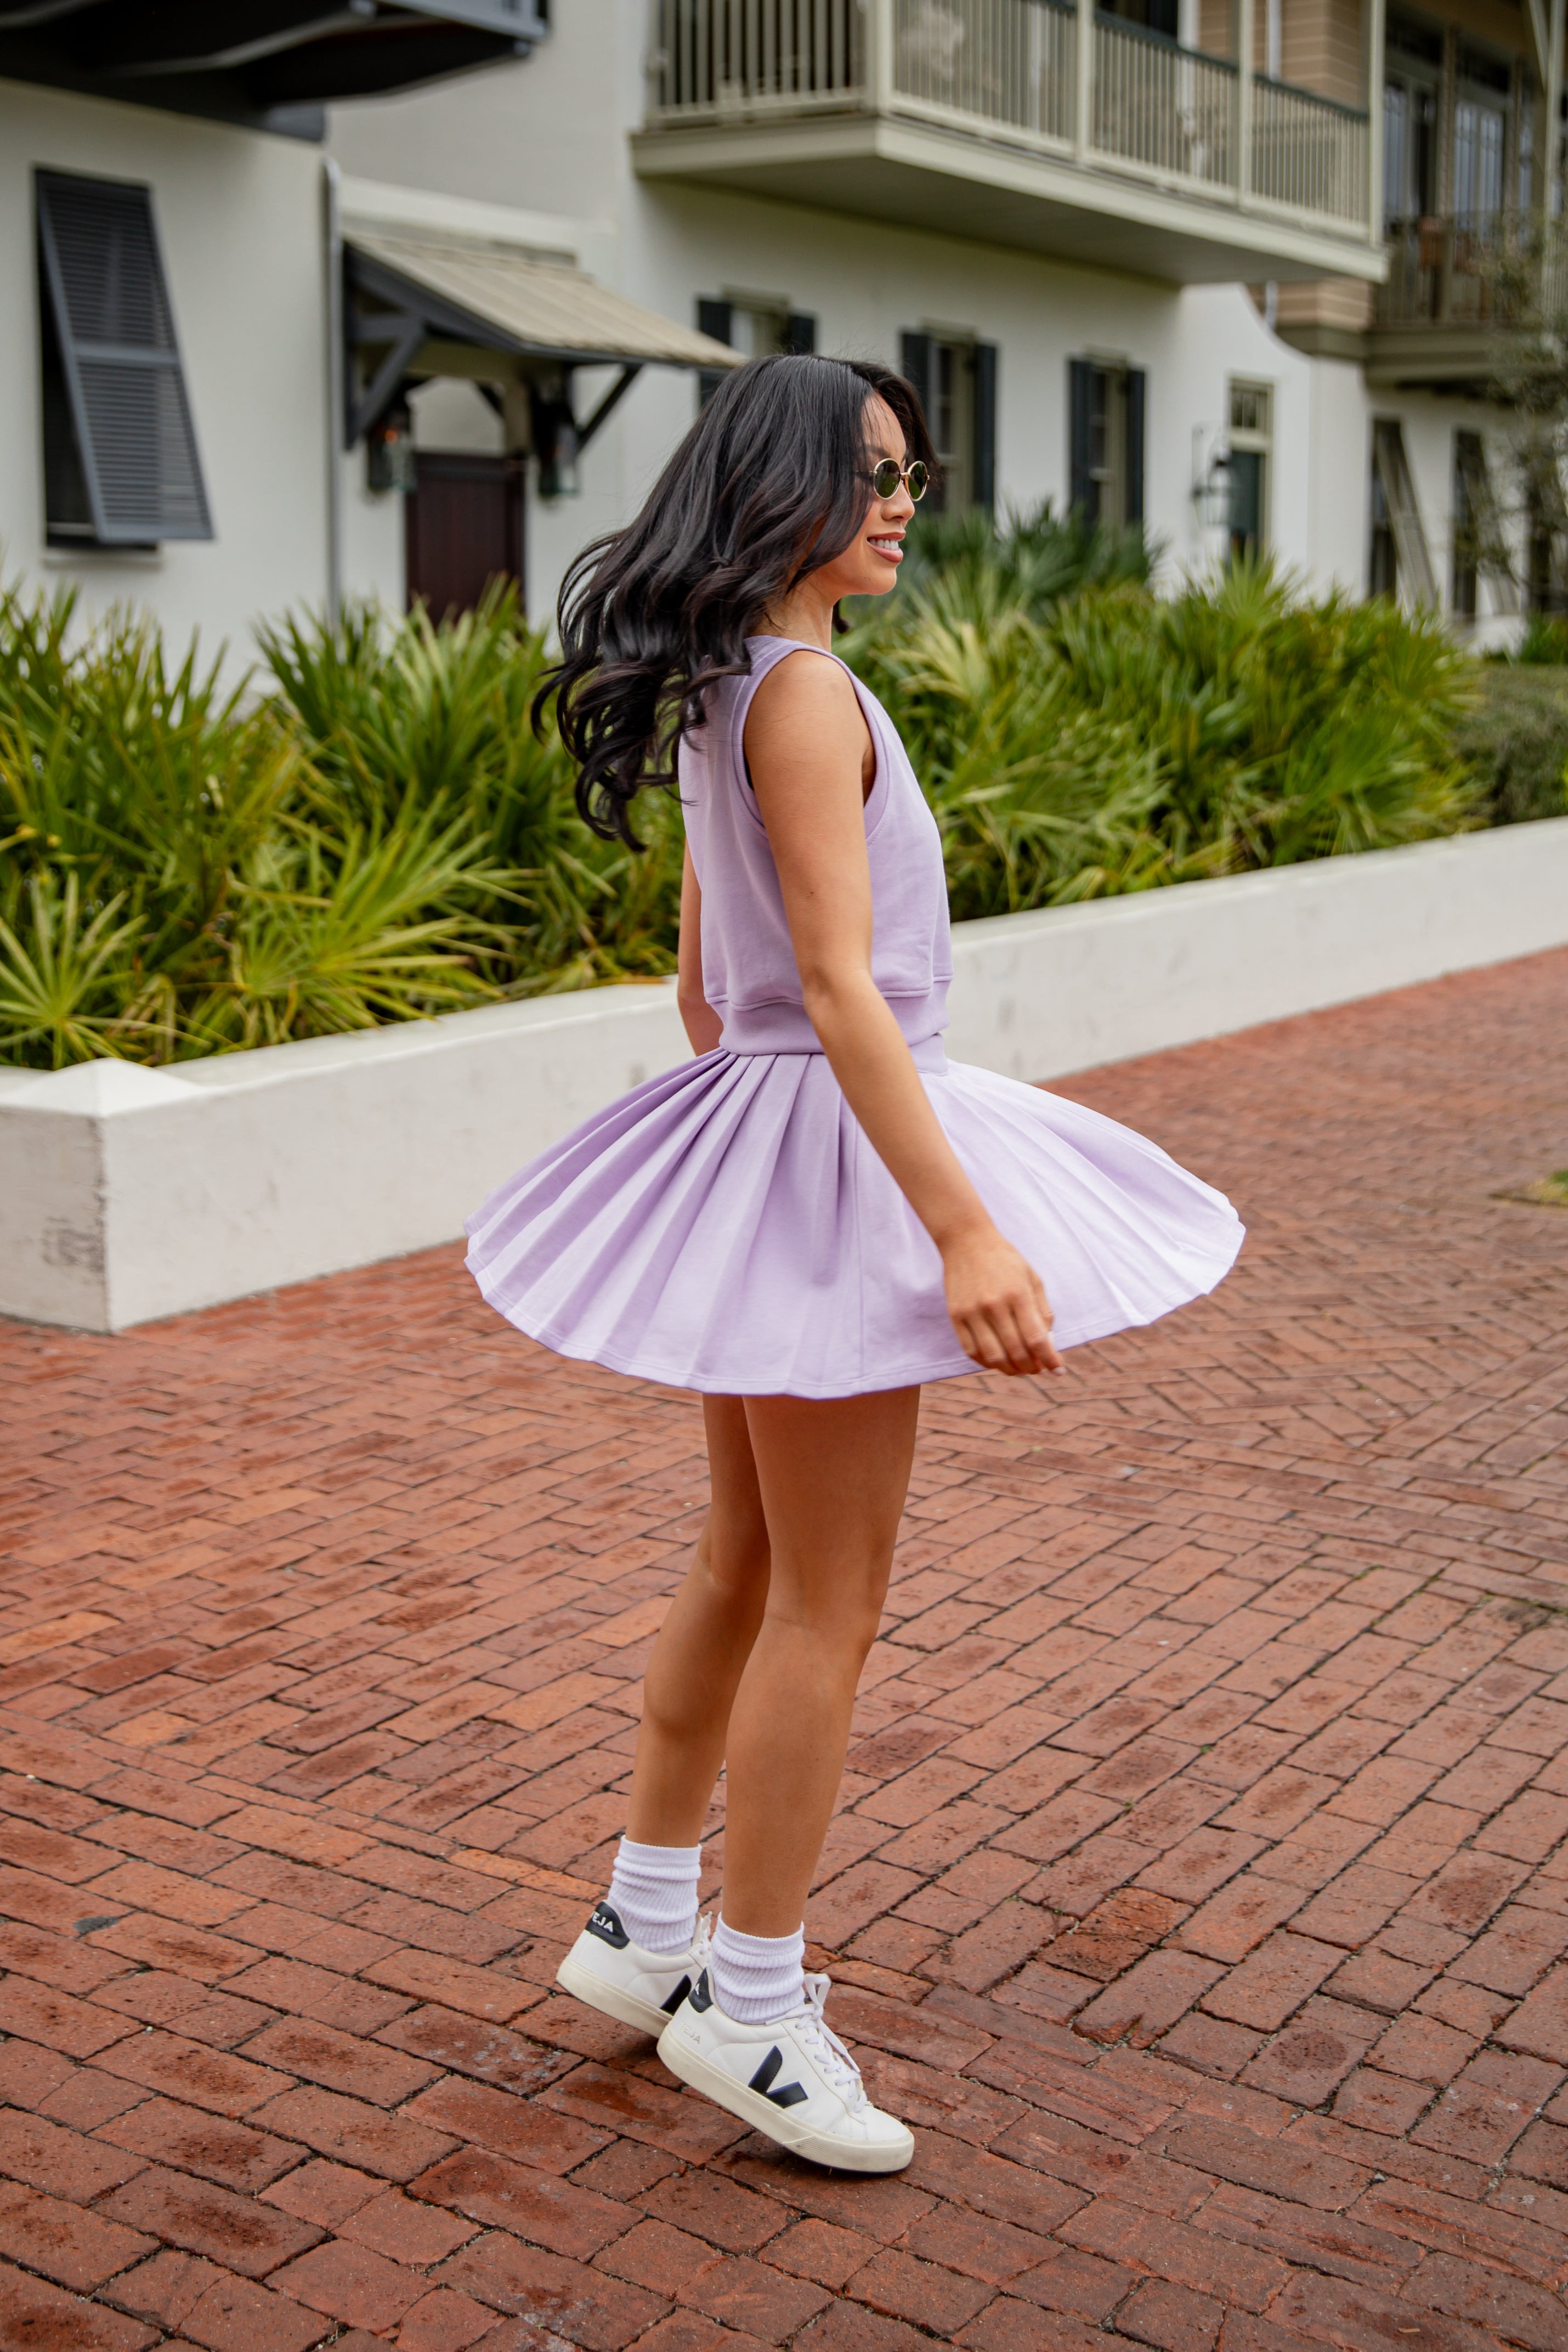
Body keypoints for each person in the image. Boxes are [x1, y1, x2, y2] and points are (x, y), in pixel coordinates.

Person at [465, 354, 1243, 2172]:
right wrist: (959, 1221)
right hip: (830, 1140)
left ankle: (644, 1925)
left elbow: (701, 988)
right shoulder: (808, 695)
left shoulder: (716, 690)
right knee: (829, 1599)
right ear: (779, 484)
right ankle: (750, 2007)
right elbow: (832, 989)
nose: (903, 502)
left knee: (742, 1560)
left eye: (914, 472)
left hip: (767, 1134)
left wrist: (759, 1158)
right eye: (871, 473)